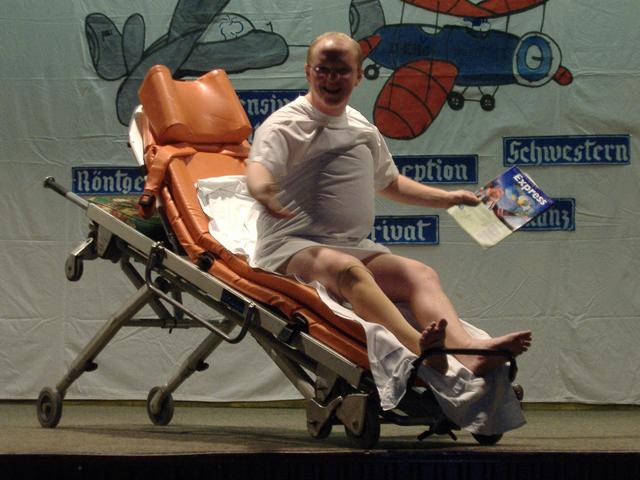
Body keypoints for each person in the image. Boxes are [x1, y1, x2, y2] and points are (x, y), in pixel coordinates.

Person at [246, 32, 531, 375]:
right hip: (290, 246)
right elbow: (259, 167)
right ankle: (421, 349)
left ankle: (470, 352)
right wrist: (262, 190)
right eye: (323, 70)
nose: (331, 79)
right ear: (309, 72)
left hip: (349, 245)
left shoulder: (361, 127)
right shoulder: (284, 124)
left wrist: (448, 199)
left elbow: (390, 183)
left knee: (420, 274)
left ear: (358, 75)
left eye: (342, 71)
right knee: (350, 270)